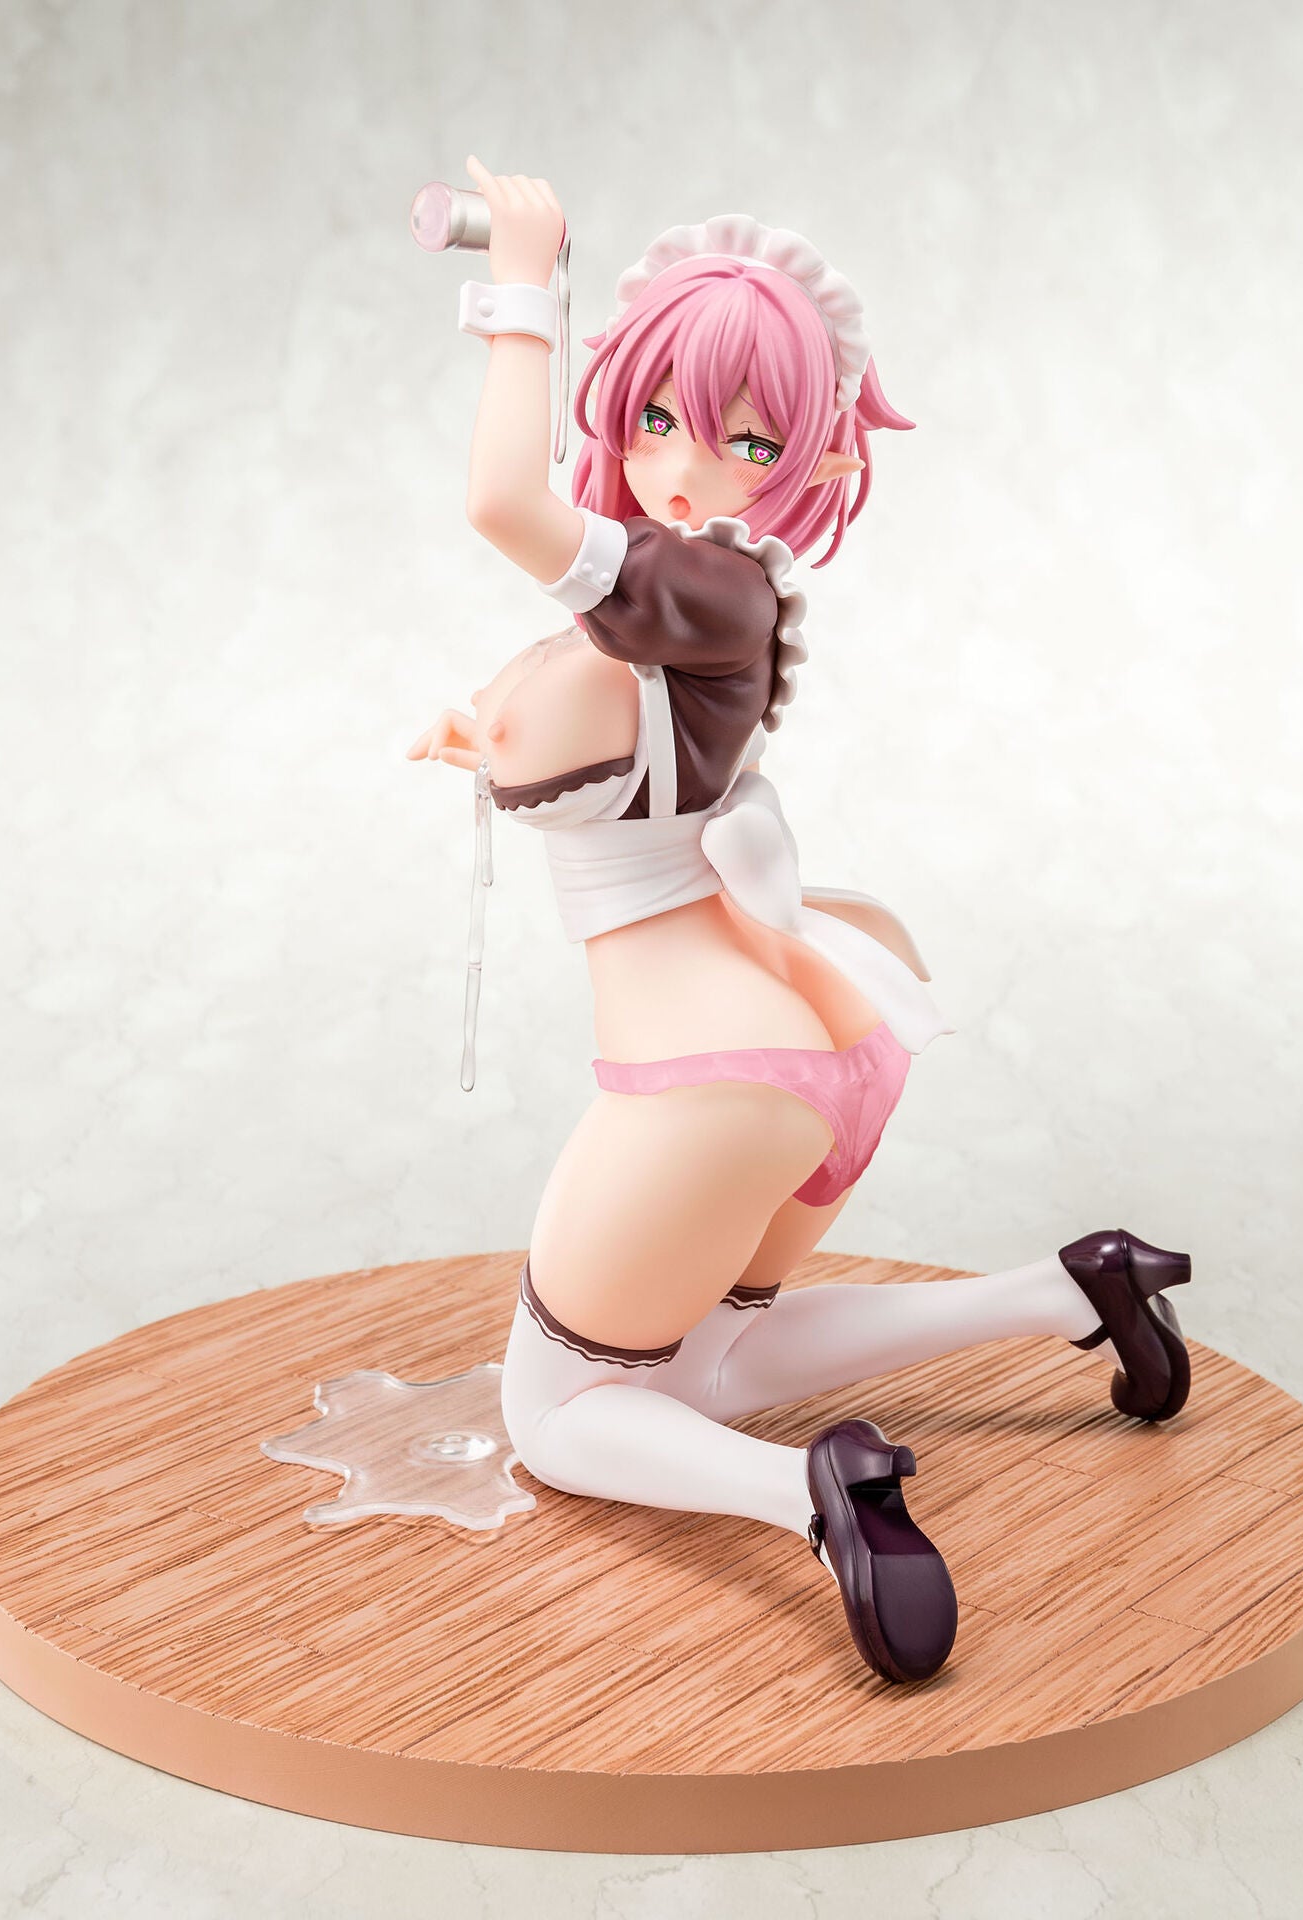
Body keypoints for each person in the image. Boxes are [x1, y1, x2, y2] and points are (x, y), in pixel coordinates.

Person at [409, 157, 1192, 1684]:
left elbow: (501, 501)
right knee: (715, 1358)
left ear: (811, 463)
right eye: (656, 417)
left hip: (709, 1078)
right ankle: (1072, 1292)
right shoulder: (682, 600)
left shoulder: (701, 587)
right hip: (803, 1041)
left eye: (745, 438)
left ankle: (816, 1498)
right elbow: (618, 752)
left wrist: (518, 283)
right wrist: (483, 742)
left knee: (554, 1415)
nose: (685, 462)